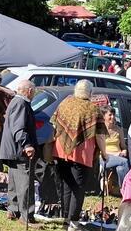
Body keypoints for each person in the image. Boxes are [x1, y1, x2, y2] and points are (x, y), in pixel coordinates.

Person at [48, 80, 107, 231]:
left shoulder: (66, 103)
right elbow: (100, 135)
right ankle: (73, 222)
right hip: (81, 154)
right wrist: (105, 153)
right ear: (90, 92)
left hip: (61, 151)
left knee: (67, 185)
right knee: (78, 188)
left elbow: (55, 124)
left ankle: (66, 219)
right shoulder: (93, 109)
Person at [0, 80, 38, 225]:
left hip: (12, 149)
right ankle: (27, 216)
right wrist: (27, 144)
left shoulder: (15, 102)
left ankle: (13, 209)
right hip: (19, 149)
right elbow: (18, 128)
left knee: (15, 181)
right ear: (28, 91)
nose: (33, 94)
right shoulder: (21, 103)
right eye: (33, 91)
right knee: (25, 183)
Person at [100, 106, 130, 189]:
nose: (112, 117)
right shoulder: (100, 130)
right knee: (125, 162)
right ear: (103, 116)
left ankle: (120, 189)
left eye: (113, 114)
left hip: (118, 157)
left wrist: (124, 151)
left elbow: (123, 147)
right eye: (110, 115)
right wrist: (115, 154)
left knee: (121, 169)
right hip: (105, 157)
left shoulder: (118, 130)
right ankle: (126, 189)